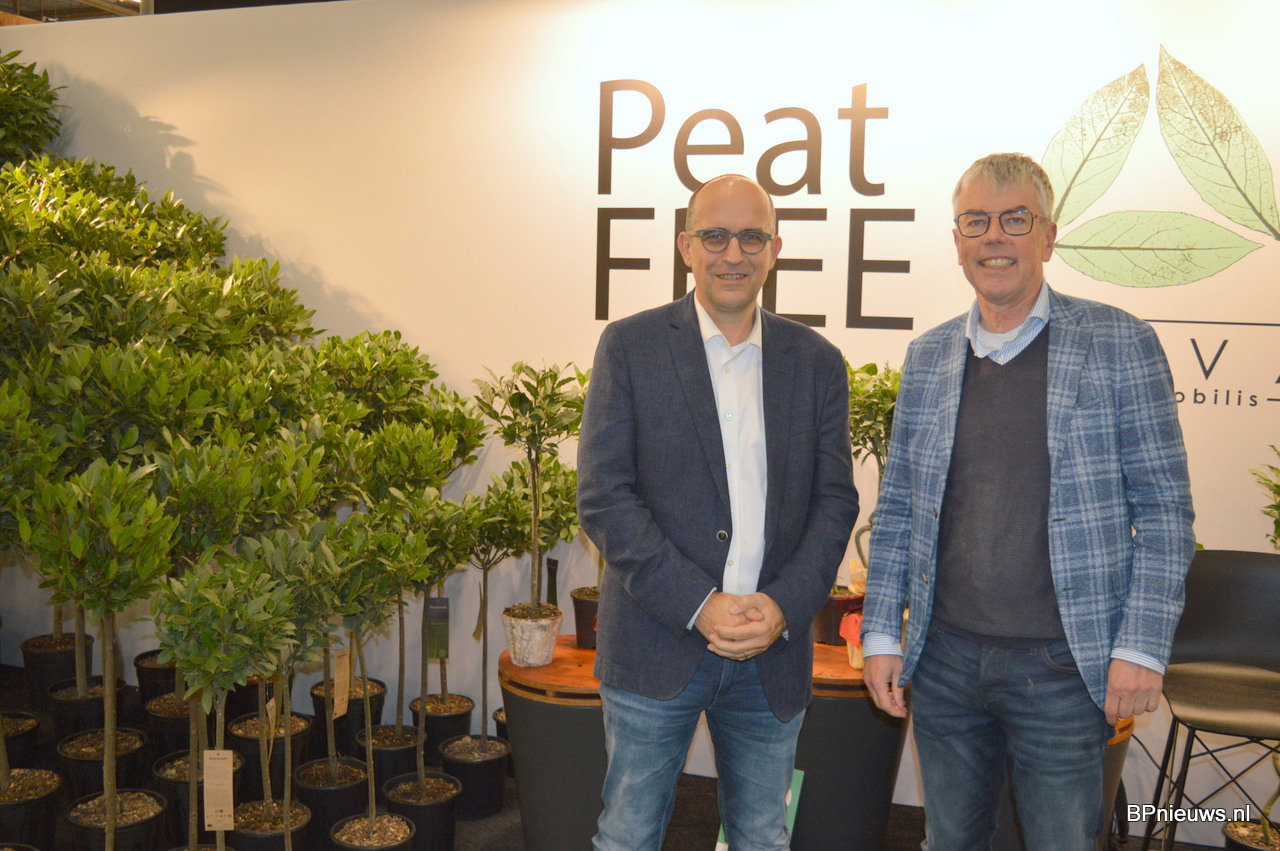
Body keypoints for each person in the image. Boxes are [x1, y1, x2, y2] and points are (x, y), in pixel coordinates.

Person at [860, 152, 1194, 850]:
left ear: (1049, 235)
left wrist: (1140, 645)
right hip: (944, 661)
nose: (994, 237)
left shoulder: (1121, 343)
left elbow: (1165, 512)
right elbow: (898, 509)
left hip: (1063, 668)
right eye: (975, 221)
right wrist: (882, 635)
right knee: (949, 842)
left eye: (1016, 219)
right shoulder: (928, 356)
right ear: (957, 240)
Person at [577, 173, 859, 850]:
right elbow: (604, 496)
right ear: (686, 247)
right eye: (715, 236)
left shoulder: (817, 363)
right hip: (655, 643)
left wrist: (785, 605)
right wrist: (699, 603)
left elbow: (835, 501)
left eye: (751, 237)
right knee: (627, 835)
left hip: (772, 652)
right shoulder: (630, 347)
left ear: (775, 250)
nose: (733, 253)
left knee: (761, 836)